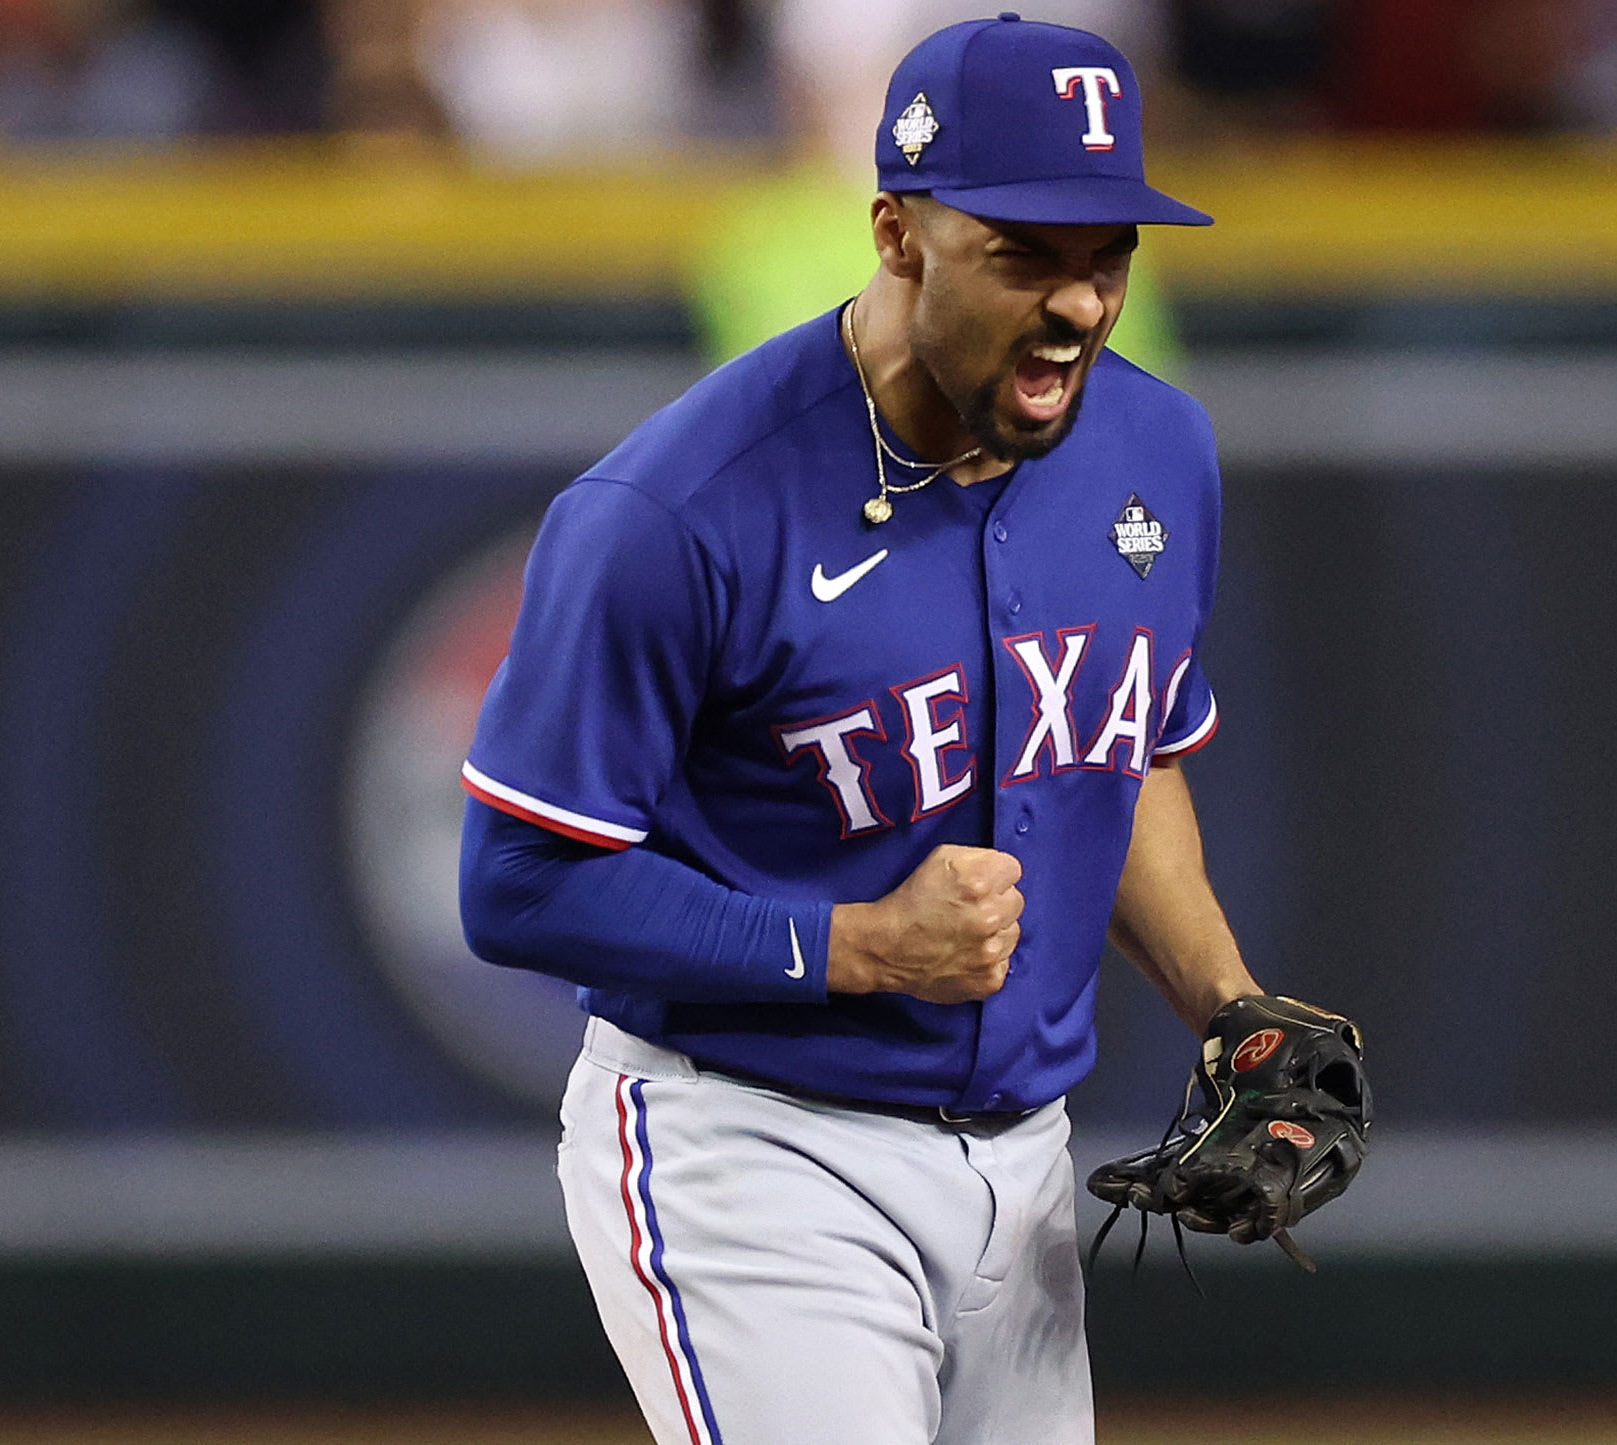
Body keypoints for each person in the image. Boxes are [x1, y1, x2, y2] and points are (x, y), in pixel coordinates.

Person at [457, 15, 1261, 1442]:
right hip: (749, 1144)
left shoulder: (1156, 451)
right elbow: (519, 878)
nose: (1078, 302)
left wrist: (1231, 1009)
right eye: (1025, 254)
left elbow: (1120, 756)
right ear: (898, 234)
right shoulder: (673, 512)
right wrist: (857, 945)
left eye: (1108, 254)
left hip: (1023, 1167)